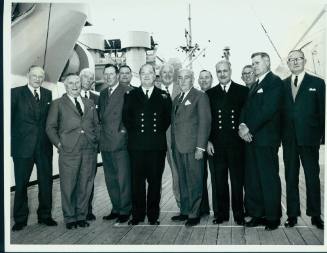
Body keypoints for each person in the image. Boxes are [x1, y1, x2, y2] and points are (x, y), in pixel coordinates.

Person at [46, 73, 99, 229]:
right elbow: (50, 127)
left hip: (88, 150)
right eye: (71, 83)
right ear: (65, 85)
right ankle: (70, 218)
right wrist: (59, 144)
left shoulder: (89, 103)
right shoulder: (58, 104)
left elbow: (96, 125)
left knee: (85, 184)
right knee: (68, 185)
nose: (75, 86)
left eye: (77, 82)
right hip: (69, 150)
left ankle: (81, 216)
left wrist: (95, 141)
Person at [122, 63, 172, 225]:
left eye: (150, 72)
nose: (146, 75)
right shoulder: (130, 95)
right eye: (143, 73)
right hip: (136, 146)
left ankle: (152, 216)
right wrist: (139, 135)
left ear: (154, 75)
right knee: (137, 183)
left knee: (155, 182)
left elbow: (166, 120)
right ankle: (137, 215)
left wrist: (153, 135)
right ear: (140, 75)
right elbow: (127, 120)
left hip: (156, 147)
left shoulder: (164, 96)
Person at [239, 52, 283, 230]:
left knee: (268, 178)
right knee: (253, 178)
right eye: (253, 63)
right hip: (251, 139)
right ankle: (257, 213)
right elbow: (246, 108)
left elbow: (268, 109)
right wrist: (242, 126)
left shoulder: (274, 82)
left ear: (267, 62)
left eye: (257, 63)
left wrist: (249, 128)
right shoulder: (256, 84)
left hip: (266, 140)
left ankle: (272, 217)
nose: (254, 66)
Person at [281, 50, 325, 229]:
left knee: (312, 177)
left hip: (310, 139)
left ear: (304, 60)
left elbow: (324, 112)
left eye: (298, 58)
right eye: (291, 60)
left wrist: (322, 137)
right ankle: (292, 215)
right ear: (288, 64)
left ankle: (315, 215)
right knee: (290, 177)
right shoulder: (282, 85)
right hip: (289, 139)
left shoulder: (318, 83)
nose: (295, 62)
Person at [11, 65, 57, 231]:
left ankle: (45, 216)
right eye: (34, 75)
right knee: (21, 184)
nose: (37, 79)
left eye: (40, 76)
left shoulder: (48, 94)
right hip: (22, 148)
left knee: (46, 183)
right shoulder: (14, 93)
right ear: (27, 75)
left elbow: (50, 122)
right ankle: (20, 219)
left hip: (44, 147)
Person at [206, 62, 248, 225]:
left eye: (225, 71)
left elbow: (246, 113)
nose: (222, 74)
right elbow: (207, 120)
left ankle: (239, 214)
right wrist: (208, 140)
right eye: (219, 71)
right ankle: (222, 214)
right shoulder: (210, 93)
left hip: (237, 144)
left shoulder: (242, 91)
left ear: (231, 71)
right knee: (219, 181)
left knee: (237, 181)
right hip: (217, 144)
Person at [171, 69, 211, 226]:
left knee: (194, 181)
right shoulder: (177, 99)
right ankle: (185, 211)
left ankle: (194, 214)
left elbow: (205, 123)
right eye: (179, 78)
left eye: (186, 78)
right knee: (183, 181)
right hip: (178, 148)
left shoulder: (200, 96)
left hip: (193, 148)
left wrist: (200, 147)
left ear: (192, 79)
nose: (182, 81)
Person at [99, 64, 132, 223]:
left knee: (123, 177)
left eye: (111, 74)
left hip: (120, 142)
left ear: (117, 75)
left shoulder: (127, 91)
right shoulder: (103, 93)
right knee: (110, 177)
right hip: (105, 142)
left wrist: (124, 133)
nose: (108, 77)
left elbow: (132, 117)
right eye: (106, 74)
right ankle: (116, 207)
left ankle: (125, 209)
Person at [159, 63, 182, 208]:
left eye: (170, 72)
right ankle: (151, 208)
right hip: (156, 140)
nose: (167, 75)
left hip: (175, 139)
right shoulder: (153, 90)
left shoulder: (181, 89)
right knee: (153, 176)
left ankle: (182, 204)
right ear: (160, 74)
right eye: (164, 72)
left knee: (177, 172)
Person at [79, 68, 99, 221]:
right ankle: (76, 209)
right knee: (75, 178)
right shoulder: (71, 96)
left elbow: (99, 123)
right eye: (85, 77)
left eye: (91, 78)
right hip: (74, 146)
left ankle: (88, 209)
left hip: (90, 147)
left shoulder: (96, 98)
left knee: (89, 179)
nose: (88, 80)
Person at [197, 69, 213, 216]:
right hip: (200, 144)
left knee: (216, 177)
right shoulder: (196, 96)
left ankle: (220, 209)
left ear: (211, 79)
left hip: (214, 144)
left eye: (206, 77)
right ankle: (202, 208)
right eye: (201, 78)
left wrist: (209, 140)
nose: (203, 80)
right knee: (200, 176)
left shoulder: (215, 94)